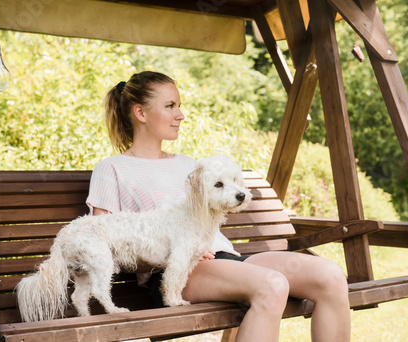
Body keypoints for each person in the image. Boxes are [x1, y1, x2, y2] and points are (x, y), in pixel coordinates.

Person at [86, 71, 351, 342]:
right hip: (176, 272)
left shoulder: (188, 164)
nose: (181, 115)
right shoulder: (112, 169)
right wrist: (174, 251)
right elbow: (102, 245)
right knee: (272, 285)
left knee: (330, 276)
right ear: (140, 112)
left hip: (225, 259)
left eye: (179, 105)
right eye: (170, 106)